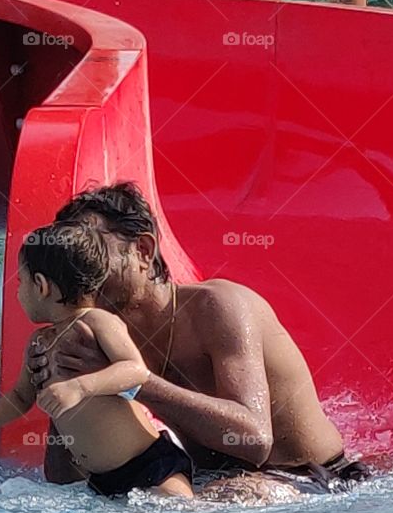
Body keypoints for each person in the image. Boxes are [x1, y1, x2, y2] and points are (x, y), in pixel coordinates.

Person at [30, 183, 371, 492]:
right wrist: (57, 383)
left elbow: (253, 440)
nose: (78, 268)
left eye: (93, 250)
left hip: (316, 479)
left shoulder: (219, 307)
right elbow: (65, 482)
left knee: (226, 497)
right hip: (217, 484)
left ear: (143, 251)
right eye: (74, 255)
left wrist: (133, 380)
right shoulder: (105, 335)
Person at [0, 222, 193, 500]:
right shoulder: (39, 342)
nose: (18, 293)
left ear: (41, 286)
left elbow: (135, 370)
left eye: (20, 283)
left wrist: (80, 387)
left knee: (179, 508)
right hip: (102, 479)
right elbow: (21, 396)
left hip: (150, 462)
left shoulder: (97, 322)